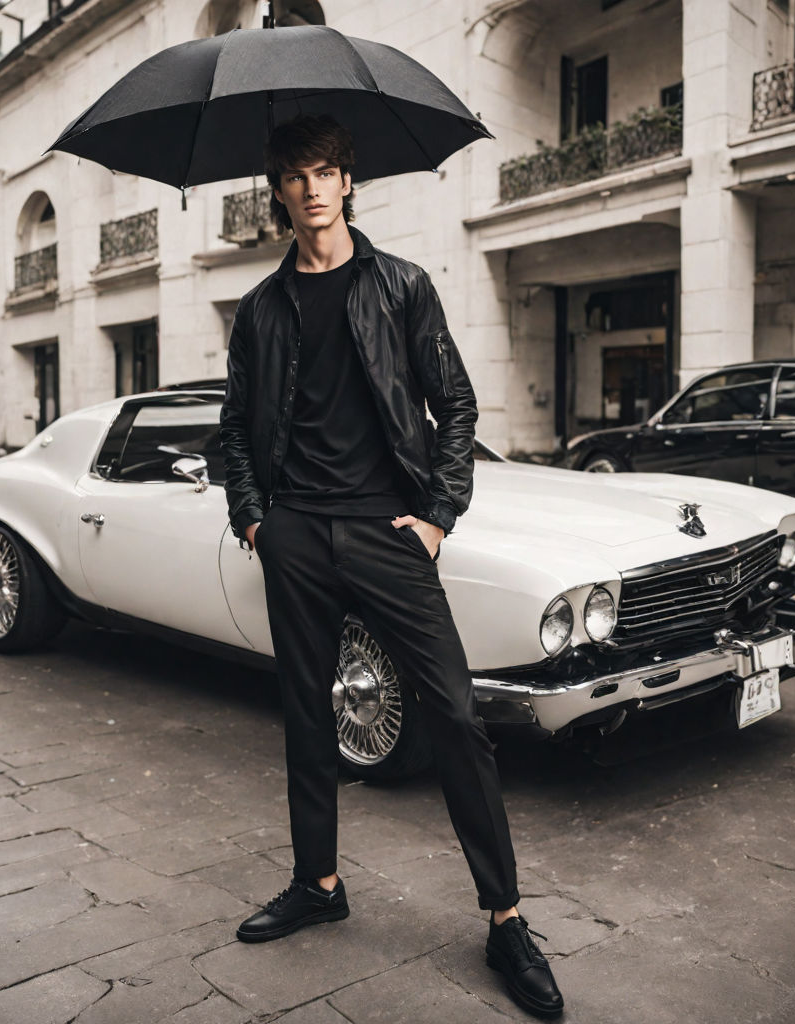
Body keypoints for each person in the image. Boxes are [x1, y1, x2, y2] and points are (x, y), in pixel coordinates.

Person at [219, 114, 564, 1017]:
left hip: (388, 530)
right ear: (279, 194)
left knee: (454, 713)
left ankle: (506, 921)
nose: (312, 190)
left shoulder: (401, 286)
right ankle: (319, 886)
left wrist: (440, 516)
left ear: (347, 182)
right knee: (305, 714)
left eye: (326, 171)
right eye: (295, 177)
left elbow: (453, 402)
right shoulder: (259, 309)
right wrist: (256, 520)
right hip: (296, 535)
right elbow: (233, 430)